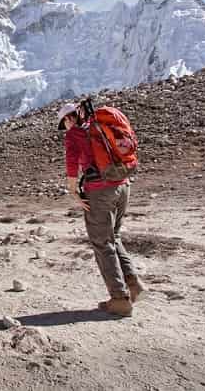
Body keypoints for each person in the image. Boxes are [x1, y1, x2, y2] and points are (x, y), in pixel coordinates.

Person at [57, 102, 146, 317]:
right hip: (123, 185)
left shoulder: (74, 134)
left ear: (69, 119)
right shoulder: (99, 127)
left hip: (100, 191)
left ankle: (119, 299)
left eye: (64, 123)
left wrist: (73, 191)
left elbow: (71, 162)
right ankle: (132, 283)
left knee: (102, 243)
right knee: (113, 236)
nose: (66, 127)